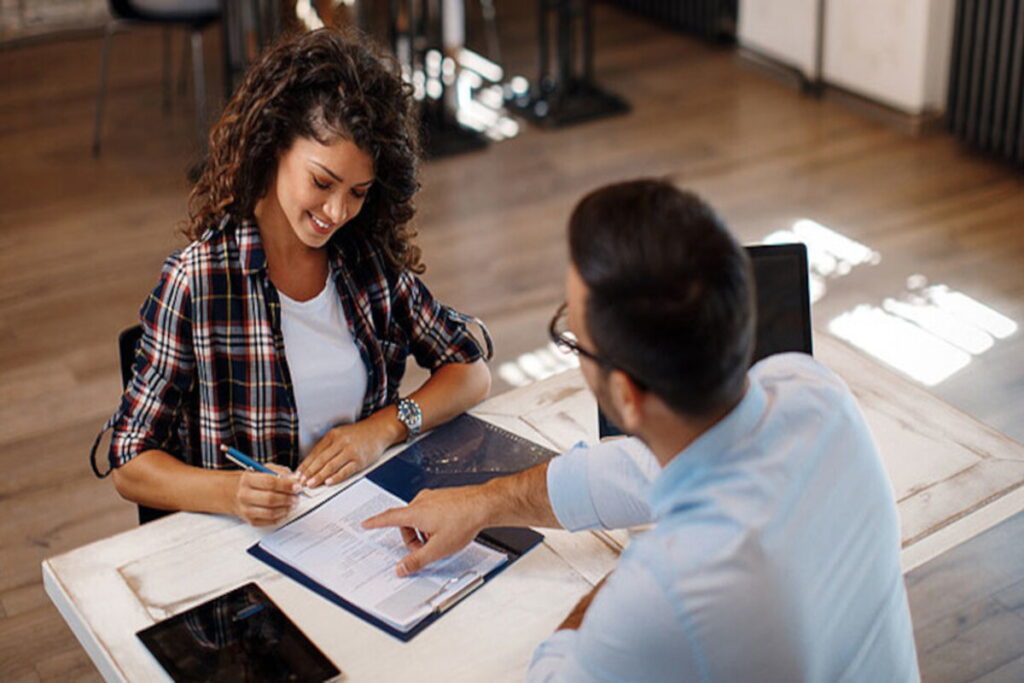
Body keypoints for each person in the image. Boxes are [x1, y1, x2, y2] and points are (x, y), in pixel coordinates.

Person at [363, 179, 919, 680]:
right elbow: (628, 471)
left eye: (574, 338)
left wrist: (621, 590)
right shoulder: (812, 391)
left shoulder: (666, 593)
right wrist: (481, 503)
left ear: (626, 395)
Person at [91, 28, 491, 526]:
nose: (337, 211)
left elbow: (470, 372)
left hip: (364, 531)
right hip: (250, 558)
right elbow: (129, 460)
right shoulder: (198, 284)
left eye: (358, 192)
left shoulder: (365, 262)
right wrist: (231, 492)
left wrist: (381, 430)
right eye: (322, 182)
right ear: (274, 145)